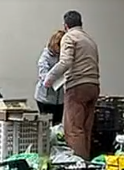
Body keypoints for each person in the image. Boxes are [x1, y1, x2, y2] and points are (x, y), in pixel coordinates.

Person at [44, 10, 100, 160]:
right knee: (86, 128)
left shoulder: (69, 37)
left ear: (66, 25)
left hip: (77, 86)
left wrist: (50, 78)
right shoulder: (90, 40)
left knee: (74, 129)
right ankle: (87, 164)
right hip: (94, 85)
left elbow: (66, 62)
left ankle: (78, 167)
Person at [34, 30, 66, 125]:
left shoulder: (64, 56)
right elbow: (43, 75)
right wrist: (53, 79)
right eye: (59, 46)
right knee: (46, 125)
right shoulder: (45, 57)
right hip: (45, 98)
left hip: (60, 98)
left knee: (57, 124)